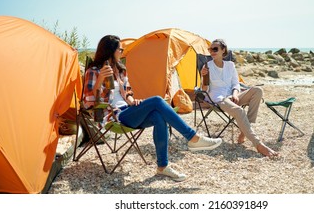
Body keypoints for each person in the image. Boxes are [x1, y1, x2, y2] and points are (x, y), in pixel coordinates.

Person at [83, 35, 222, 181]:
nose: (122, 52)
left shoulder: (120, 70)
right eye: (120, 49)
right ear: (110, 50)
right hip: (114, 116)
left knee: (158, 116)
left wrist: (131, 100)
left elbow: (128, 91)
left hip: (128, 110)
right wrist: (99, 82)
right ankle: (193, 137)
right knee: (157, 100)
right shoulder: (94, 71)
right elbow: (89, 103)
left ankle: (162, 167)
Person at [200, 39, 278, 157]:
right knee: (239, 110)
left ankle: (244, 131)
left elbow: (235, 84)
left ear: (223, 50)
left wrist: (235, 93)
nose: (212, 51)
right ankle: (258, 144)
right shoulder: (207, 67)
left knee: (257, 90)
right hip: (219, 98)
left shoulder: (230, 65)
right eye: (210, 49)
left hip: (232, 96)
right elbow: (204, 90)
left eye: (215, 49)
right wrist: (203, 76)